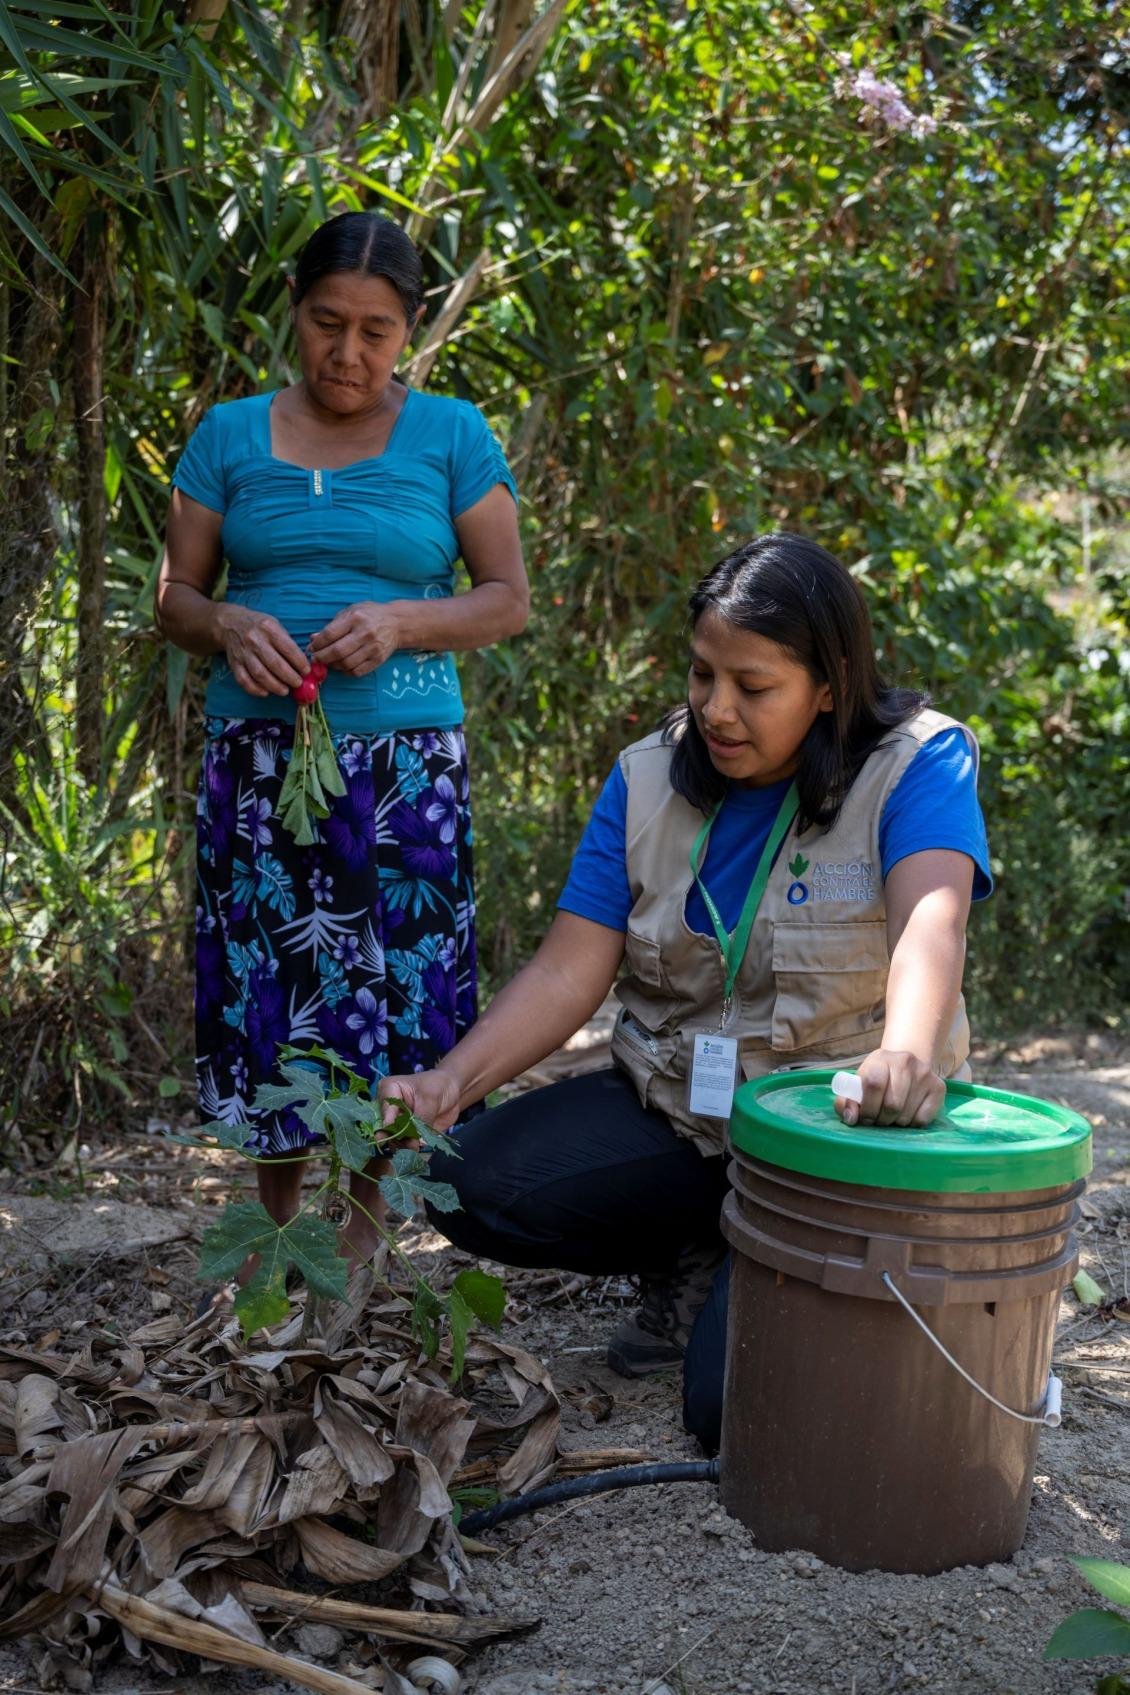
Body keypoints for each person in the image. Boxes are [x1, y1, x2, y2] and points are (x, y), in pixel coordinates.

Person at [377, 533, 992, 1451]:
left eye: (754, 686)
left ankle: (755, 1262)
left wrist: (905, 1050)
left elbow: (929, 924)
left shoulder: (915, 763)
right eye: (703, 675)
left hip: (828, 1146)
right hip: (683, 1114)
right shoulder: (648, 776)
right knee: (465, 1179)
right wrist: (450, 1082)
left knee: (722, 1413)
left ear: (828, 684)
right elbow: (567, 966)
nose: (716, 708)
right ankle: (697, 1242)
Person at [155, 210, 528, 1271]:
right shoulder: (227, 436)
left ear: (409, 330)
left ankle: (362, 1240)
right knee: (268, 985)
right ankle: (276, 1236)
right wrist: (225, 621)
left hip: (405, 771)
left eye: (374, 330)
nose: (347, 352)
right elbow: (175, 599)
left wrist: (403, 619)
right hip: (258, 765)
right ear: (293, 314)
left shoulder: (451, 436)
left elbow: (506, 600)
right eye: (327, 323)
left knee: (389, 990)